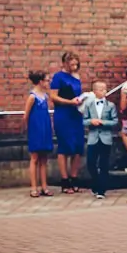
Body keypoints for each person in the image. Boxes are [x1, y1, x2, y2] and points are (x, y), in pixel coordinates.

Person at [50, 51, 85, 194]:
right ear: (65, 63)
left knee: (78, 146)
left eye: (76, 64)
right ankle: (64, 181)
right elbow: (53, 96)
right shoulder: (58, 77)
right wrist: (69, 102)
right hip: (63, 114)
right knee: (65, 146)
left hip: (76, 114)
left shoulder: (77, 77)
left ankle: (74, 177)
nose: (74, 67)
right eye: (72, 65)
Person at [82, 81, 118, 200]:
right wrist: (91, 122)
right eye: (101, 89)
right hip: (93, 138)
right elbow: (83, 120)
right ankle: (96, 182)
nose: (104, 92)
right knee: (91, 163)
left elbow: (115, 121)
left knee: (104, 163)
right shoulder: (89, 105)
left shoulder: (111, 105)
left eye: (105, 89)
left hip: (105, 138)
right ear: (95, 91)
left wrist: (103, 122)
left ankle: (101, 189)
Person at [23, 71, 54, 198]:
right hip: (36, 129)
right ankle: (34, 187)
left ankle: (44, 186)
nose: (48, 82)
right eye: (46, 80)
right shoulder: (32, 97)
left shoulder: (45, 96)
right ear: (40, 81)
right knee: (35, 158)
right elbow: (26, 115)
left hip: (45, 127)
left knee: (44, 159)